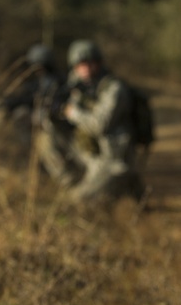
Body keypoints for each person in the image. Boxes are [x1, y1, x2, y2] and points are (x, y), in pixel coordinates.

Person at [36, 39, 145, 202]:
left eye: (89, 63)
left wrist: (71, 112)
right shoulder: (75, 86)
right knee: (44, 140)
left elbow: (99, 124)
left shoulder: (114, 89)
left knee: (78, 201)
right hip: (87, 152)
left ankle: (127, 186)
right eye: (80, 64)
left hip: (111, 160)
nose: (85, 68)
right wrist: (52, 113)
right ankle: (73, 184)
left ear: (99, 63)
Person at [1, 43, 64, 151]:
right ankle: (28, 149)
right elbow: (29, 96)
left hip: (51, 117)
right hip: (40, 115)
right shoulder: (38, 80)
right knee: (20, 114)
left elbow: (40, 99)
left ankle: (33, 150)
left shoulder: (54, 81)